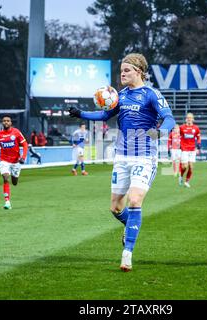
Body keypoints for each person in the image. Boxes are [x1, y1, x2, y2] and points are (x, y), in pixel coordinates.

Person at [68, 53, 175, 272]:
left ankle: (127, 254)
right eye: (121, 71)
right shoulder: (121, 96)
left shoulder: (151, 94)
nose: (122, 74)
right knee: (116, 207)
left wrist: (159, 132)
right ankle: (130, 226)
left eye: (126, 70)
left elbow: (170, 118)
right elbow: (103, 115)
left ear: (139, 71)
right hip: (122, 157)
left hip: (145, 156)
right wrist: (80, 113)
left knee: (135, 201)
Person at [0, 115, 28, 210]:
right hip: (4, 160)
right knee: (5, 177)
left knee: (14, 182)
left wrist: (23, 157)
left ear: (11, 123)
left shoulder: (16, 132)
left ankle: (15, 176)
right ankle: (7, 201)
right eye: (4, 121)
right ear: (2, 123)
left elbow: (25, 144)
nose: (6, 122)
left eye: (8, 121)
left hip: (16, 161)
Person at [179, 113, 201, 188]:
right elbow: (178, 137)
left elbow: (198, 138)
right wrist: (180, 146)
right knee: (185, 166)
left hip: (192, 149)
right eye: (188, 118)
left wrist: (198, 146)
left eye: (190, 118)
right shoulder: (181, 127)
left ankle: (187, 181)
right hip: (184, 149)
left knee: (191, 167)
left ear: (193, 119)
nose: (189, 119)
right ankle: (181, 176)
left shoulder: (196, 128)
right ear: (186, 119)